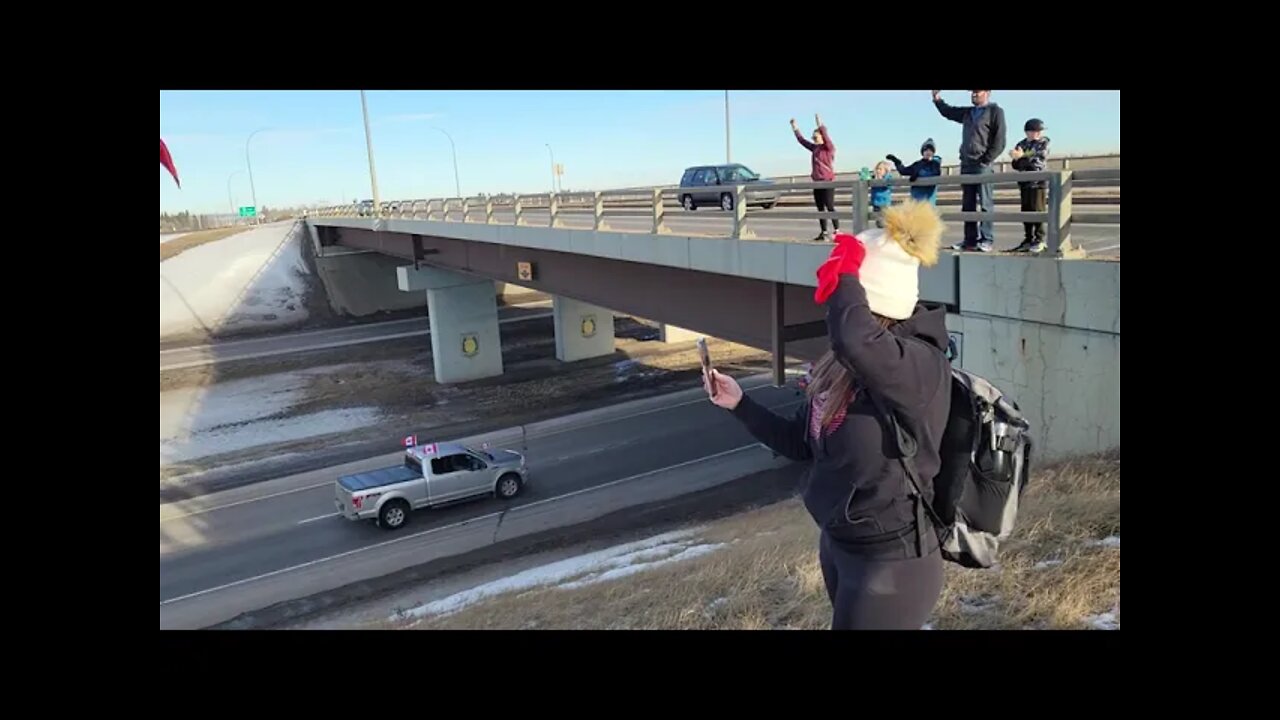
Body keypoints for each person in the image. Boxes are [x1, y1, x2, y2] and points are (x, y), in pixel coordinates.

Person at [703, 199, 951, 630]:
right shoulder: (843, 368)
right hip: (842, 544)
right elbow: (800, 443)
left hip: (892, 561)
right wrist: (740, 403)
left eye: (841, 293)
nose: (831, 305)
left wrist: (849, 272)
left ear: (869, 301)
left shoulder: (919, 365)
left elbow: (854, 337)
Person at [932, 90, 1006, 252]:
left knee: (985, 204)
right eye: (972, 92)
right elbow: (948, 112)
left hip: (982, 165)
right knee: (968, 205)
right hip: (967, 164)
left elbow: (1000, 141)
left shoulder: (995, 111)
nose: (973, 94)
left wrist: (986, 160)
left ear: (987, 93)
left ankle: (986, 239)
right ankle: (970, 240)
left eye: (977, 91)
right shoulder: (968, 112)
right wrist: (937, 99)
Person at [792, 114, 837, 242]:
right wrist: (795, 128)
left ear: (821, 136)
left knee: (830, 206)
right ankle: (824, 232)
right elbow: (802, 140)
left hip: (827, 181)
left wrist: (819, 124)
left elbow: (826, 136)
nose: (813, 139)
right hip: (817, 182)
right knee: (820, 208)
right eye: (813, 137)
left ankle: (837, 230)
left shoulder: (828, 148)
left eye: (815, 137)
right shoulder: (815, 148)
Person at [1010, 118, 1050, 253]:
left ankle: (1040, 239)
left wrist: (1023, 156)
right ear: (1028, 132)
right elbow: (1016, 163)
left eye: (1039, 131)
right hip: (1025, 182)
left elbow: (1040, 155)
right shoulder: (1021, 144)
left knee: (1038, 210)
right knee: (1026, 211)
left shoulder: (1043, 142)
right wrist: (1021, 158)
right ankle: (1028, 239)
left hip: (1038, 182)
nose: (1038, 134)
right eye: (1035, 131)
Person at [886, 139, 943, 205]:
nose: (928, 152)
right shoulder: (917, 164)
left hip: (928, 200)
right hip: (916, 198)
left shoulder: (935, 164)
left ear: (933, 153)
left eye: (931, 150)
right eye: (926, 150)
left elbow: (935, 174)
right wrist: (897, 162)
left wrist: (918, 173)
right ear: (922, 152)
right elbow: (904, 171)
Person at [869, 161, 895, 228]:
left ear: (886, 170)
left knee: (884, 221)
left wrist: (881, 180)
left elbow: (889, 186)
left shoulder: (888, 178)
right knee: (878, 221)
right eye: (877, 169)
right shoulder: (874, 178)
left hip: (884, 203)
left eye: (880, 169)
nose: (878, 171)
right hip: (875, 203)